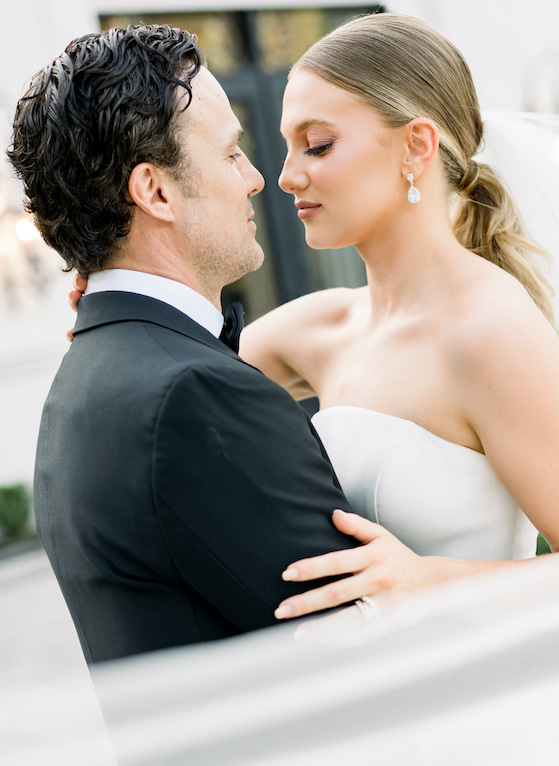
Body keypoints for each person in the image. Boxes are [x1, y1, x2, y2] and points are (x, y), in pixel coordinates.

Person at [231, 13, 559, 621]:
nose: (286, 176)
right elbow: (178, 378)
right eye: (285, 146)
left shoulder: (492, 331)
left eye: (318, 144)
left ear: (416, 145)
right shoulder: (316, 329)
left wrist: (426, 579)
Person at [7, 25, 365, 664]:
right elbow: (364, 640)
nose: (256, 179)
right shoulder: (196, 395)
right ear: (155, 192)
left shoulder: (83, 380)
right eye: (231, 153)